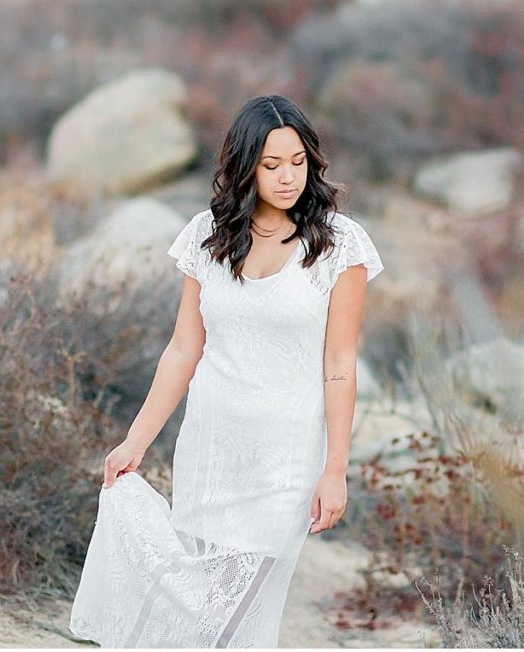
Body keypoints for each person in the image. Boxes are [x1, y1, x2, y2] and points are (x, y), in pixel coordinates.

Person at [68, 94, 384, 647]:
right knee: (193, 606)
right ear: (245, 167)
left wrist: (335, 469)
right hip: (210, 453)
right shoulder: (206, 236)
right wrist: (135, 441)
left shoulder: (338, 244)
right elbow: (182, 349)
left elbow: (339, 364)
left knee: (228, 617)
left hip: (284, 464)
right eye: (271, 165)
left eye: (298, 162)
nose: (288, 177)